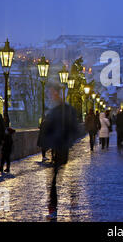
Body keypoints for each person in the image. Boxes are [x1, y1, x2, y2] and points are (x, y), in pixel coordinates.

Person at [39, 83, 79, 220]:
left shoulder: (63, 110)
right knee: (54, 179)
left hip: (61, 147)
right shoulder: (56, 110)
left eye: (51, 92)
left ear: (56, 93)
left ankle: (56, 207)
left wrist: (64, 140)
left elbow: (74, 129)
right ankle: (61, 203)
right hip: (57, 148)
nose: (50, 95)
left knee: (55, 179)